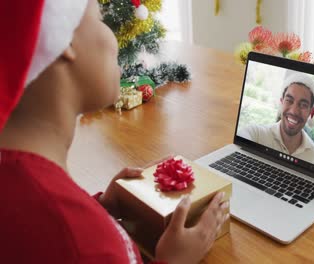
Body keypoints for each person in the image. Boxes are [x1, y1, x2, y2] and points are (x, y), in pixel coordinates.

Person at [0, 1, 228, 263]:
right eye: (99, 19)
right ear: (64, 41)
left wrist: (99, 208)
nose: (115, 37)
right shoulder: (92, 244)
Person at [238, 72, 314, 164]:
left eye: (303, 105)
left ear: (310, 111)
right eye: (289, 100)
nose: (294, 111)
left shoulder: (313, 156)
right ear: (281, 102)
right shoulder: (256, 134)